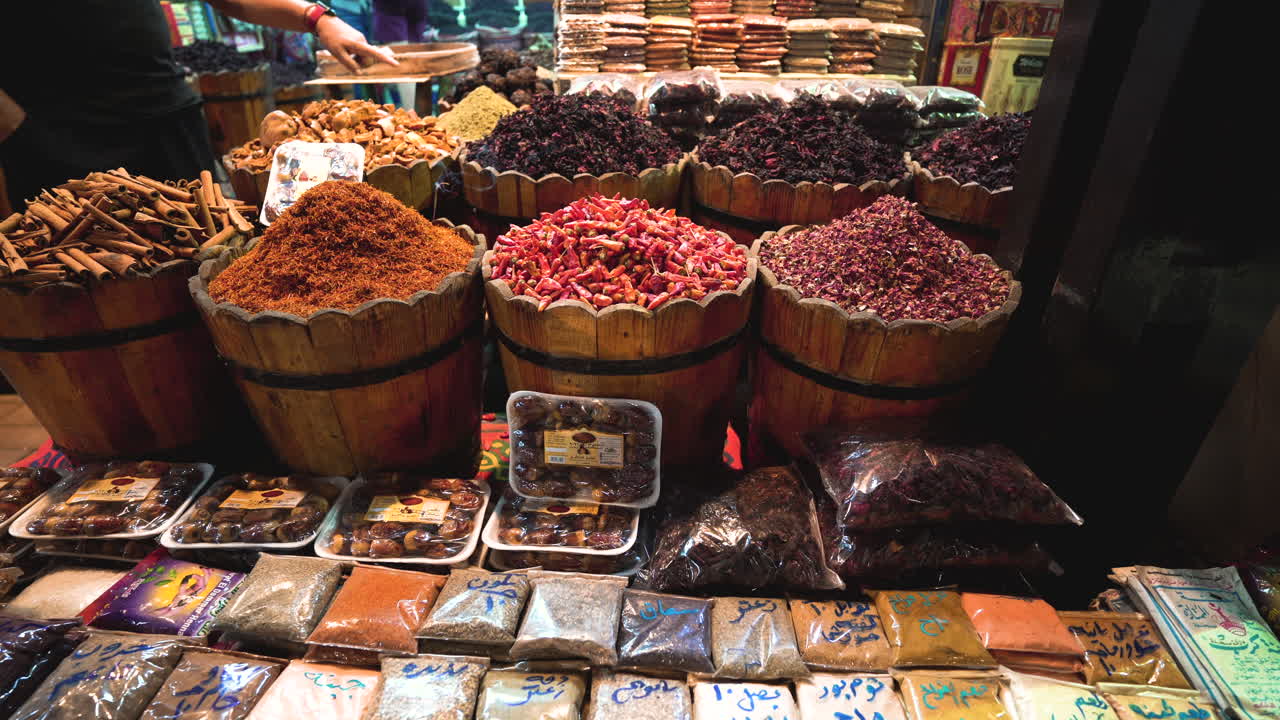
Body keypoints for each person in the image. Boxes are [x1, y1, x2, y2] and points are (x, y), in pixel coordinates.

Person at [0, 0, 397, 210]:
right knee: (93, 304)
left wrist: (317, 19)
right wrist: (22, 134)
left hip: (169, 121)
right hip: (60, 139)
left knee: (205, 262)